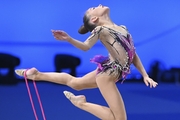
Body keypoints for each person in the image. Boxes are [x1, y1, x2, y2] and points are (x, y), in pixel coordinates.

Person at [15, 4, 158, 120]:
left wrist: (145, 75)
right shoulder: (101, 30)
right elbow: (85, 46)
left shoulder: (123, 28)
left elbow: (132, 54)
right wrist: (69, 39)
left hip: (110, 69)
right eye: (94, 7)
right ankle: (81, 104)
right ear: (95, 19)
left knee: (76, 84)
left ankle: (37, 75)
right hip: (108, 75)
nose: (99, 4)